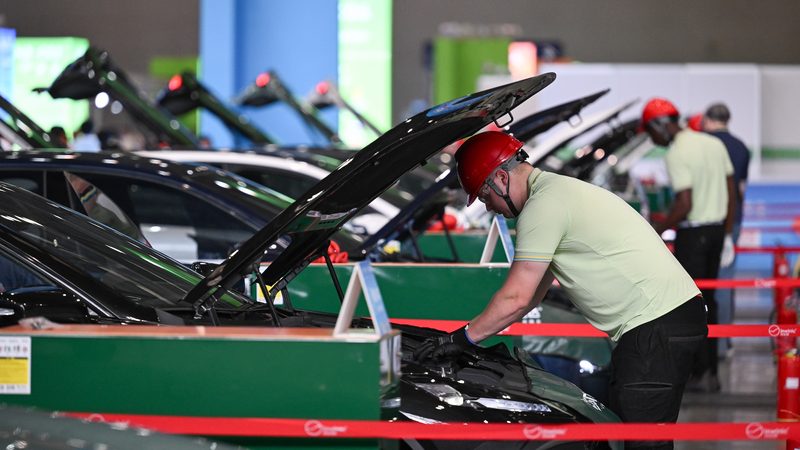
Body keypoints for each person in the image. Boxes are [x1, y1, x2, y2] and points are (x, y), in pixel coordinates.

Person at [414, 130, 707, 450]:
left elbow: (517, 297)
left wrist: (463, 338)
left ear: (500, 177)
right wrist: (476, 335)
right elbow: (532, 293)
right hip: (664, 320)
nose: (489, 208)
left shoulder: (543, 206)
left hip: (655, 326)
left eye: (485, 196)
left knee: (640, 444)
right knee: (634, 436)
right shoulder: (557, 192)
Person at [643, 98, 736, 393]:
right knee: (712, 301)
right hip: (717, 231)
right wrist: (727, 231)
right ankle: (712, 372)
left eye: (651, 133)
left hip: (694, 236)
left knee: (692, 306)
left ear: (660, 125)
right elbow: (733, 192)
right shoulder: (713, 144)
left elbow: (684, 204)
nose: (653, 140)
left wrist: (656, 228)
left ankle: (696, 373)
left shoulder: (677, 153)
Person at [701, 102, 751, 360]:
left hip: (705, 220)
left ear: (708, 120)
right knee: (725, 281)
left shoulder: (703, 145)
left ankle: (705, 345)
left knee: (702, 282)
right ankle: (724, 344)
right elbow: (740, 189)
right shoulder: (741, 147)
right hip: (733, 220)